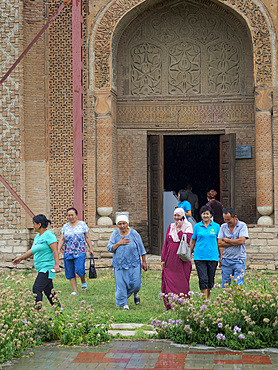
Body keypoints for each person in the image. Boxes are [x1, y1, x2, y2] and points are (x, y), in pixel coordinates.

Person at [12, 214, 60, 309]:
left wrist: (57, 265)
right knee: (49, 292)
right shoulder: (38, 236)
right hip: (40, 267)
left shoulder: (49, 235)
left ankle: (37, 313)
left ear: (39, 224)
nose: (33, 226)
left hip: (47, 267)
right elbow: (32, 251)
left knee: (36, 288)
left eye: (34, 224)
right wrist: (20, 258)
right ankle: (59, 313)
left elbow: (55, 250)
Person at [107, 213, 148, 311]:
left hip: (134, 263)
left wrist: (144, 262)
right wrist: (119, 243)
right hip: (120, 264)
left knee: (136, 284)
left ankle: (135, 293)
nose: (122, 226)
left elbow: (141, 248)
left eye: (124, 223)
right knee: (121, 285)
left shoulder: (134, 234)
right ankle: (124, 303)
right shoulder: (115, 234)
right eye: (120, 224)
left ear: (127, 224)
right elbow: (109, 248)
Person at [161, 208, 193, 310]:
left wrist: (179, 230)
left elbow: (188, 240)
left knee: (181, 281)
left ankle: (182, 302)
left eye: (178, 216)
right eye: (175, 215)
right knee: (169, 281)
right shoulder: (171, 226)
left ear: (183, 216)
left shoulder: (188, 226)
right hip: (170, 259)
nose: (176, 218)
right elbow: (166, 243)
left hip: (181, 259)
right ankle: (171, 304)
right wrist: (163, 259)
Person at [58, 207, 94, 296]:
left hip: (80, 251)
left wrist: (90, 248)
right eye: (68, 215)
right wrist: (58, 249)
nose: (70, 217)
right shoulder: (65, 226)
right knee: (70, 271)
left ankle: (83, 279)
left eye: (72, 215)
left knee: (79, 269)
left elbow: (87, 237)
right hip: (68, 252)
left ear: (76, 215)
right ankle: (75, 291)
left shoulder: (82, 224)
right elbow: (62, 239)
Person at [190, 205, 220, 300]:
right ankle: (205, 300)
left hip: (213, 256)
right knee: (203, 279)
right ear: (201, 215)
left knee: (210, 279)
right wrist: (189, 252)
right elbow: (193, 241)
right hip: (200, 257)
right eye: (203, 214)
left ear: (211, 215)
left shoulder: (216, 226)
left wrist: (221, 255)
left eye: (207, 214)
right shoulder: (197, 226)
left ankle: (208, 297)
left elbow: (219, 242)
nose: (205, 216)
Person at [218, 207, 249, 287]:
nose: (227, 222)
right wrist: (235, 242)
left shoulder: (242, 226)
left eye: (229, 219)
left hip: (239, 259)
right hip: (226, 259)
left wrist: (227, 240)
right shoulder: (223, 226)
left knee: (238, 284)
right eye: (225, 219)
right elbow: (219, 243)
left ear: (235, 217)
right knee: (225, 285)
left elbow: (241, 241)